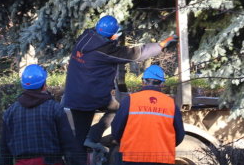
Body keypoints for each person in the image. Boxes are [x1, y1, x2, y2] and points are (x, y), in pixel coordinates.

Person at [61, 14, 176, 156]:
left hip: (74, 94)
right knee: (116, 109)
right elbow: (134, 54)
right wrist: (160, 45)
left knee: (79, 138)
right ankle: (92, 139)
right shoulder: (104, 51)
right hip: (89, 97)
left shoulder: (85, 38)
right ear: (111, 35)